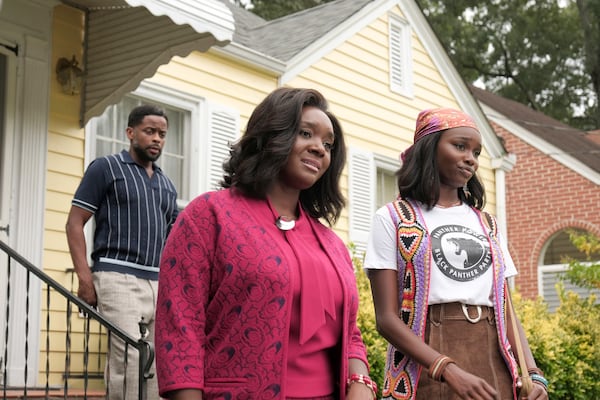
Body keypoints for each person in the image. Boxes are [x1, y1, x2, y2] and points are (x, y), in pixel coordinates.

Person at [154, 87, 376, 400]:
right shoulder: (210, 215)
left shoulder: (331, 244)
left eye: (328, 144)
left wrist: (361, 383)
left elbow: (350, 330)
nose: (320, 148)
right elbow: (180, 326)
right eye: (305, 133)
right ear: (271, 134)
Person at [364, 108, 549, 400]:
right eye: (460, 146)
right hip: (426, 362)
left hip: (495, 360)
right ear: (429, 148)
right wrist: (447, 368)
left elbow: (506, 310)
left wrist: (534, 373)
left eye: (476, 152)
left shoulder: (488, 224)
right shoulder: (394, 218)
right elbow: (386, 318)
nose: (471, 158)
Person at [66, 104, 179, 400]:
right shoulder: (105, 168)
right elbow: (75, 223)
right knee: (129, 357)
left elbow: (173, 240)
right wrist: (84, 277)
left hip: (158, 281)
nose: (157, 139)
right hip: (116, 274)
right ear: (130, 133)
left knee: (155, 359)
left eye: (162, 134)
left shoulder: (167, 185)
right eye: (150, 131)